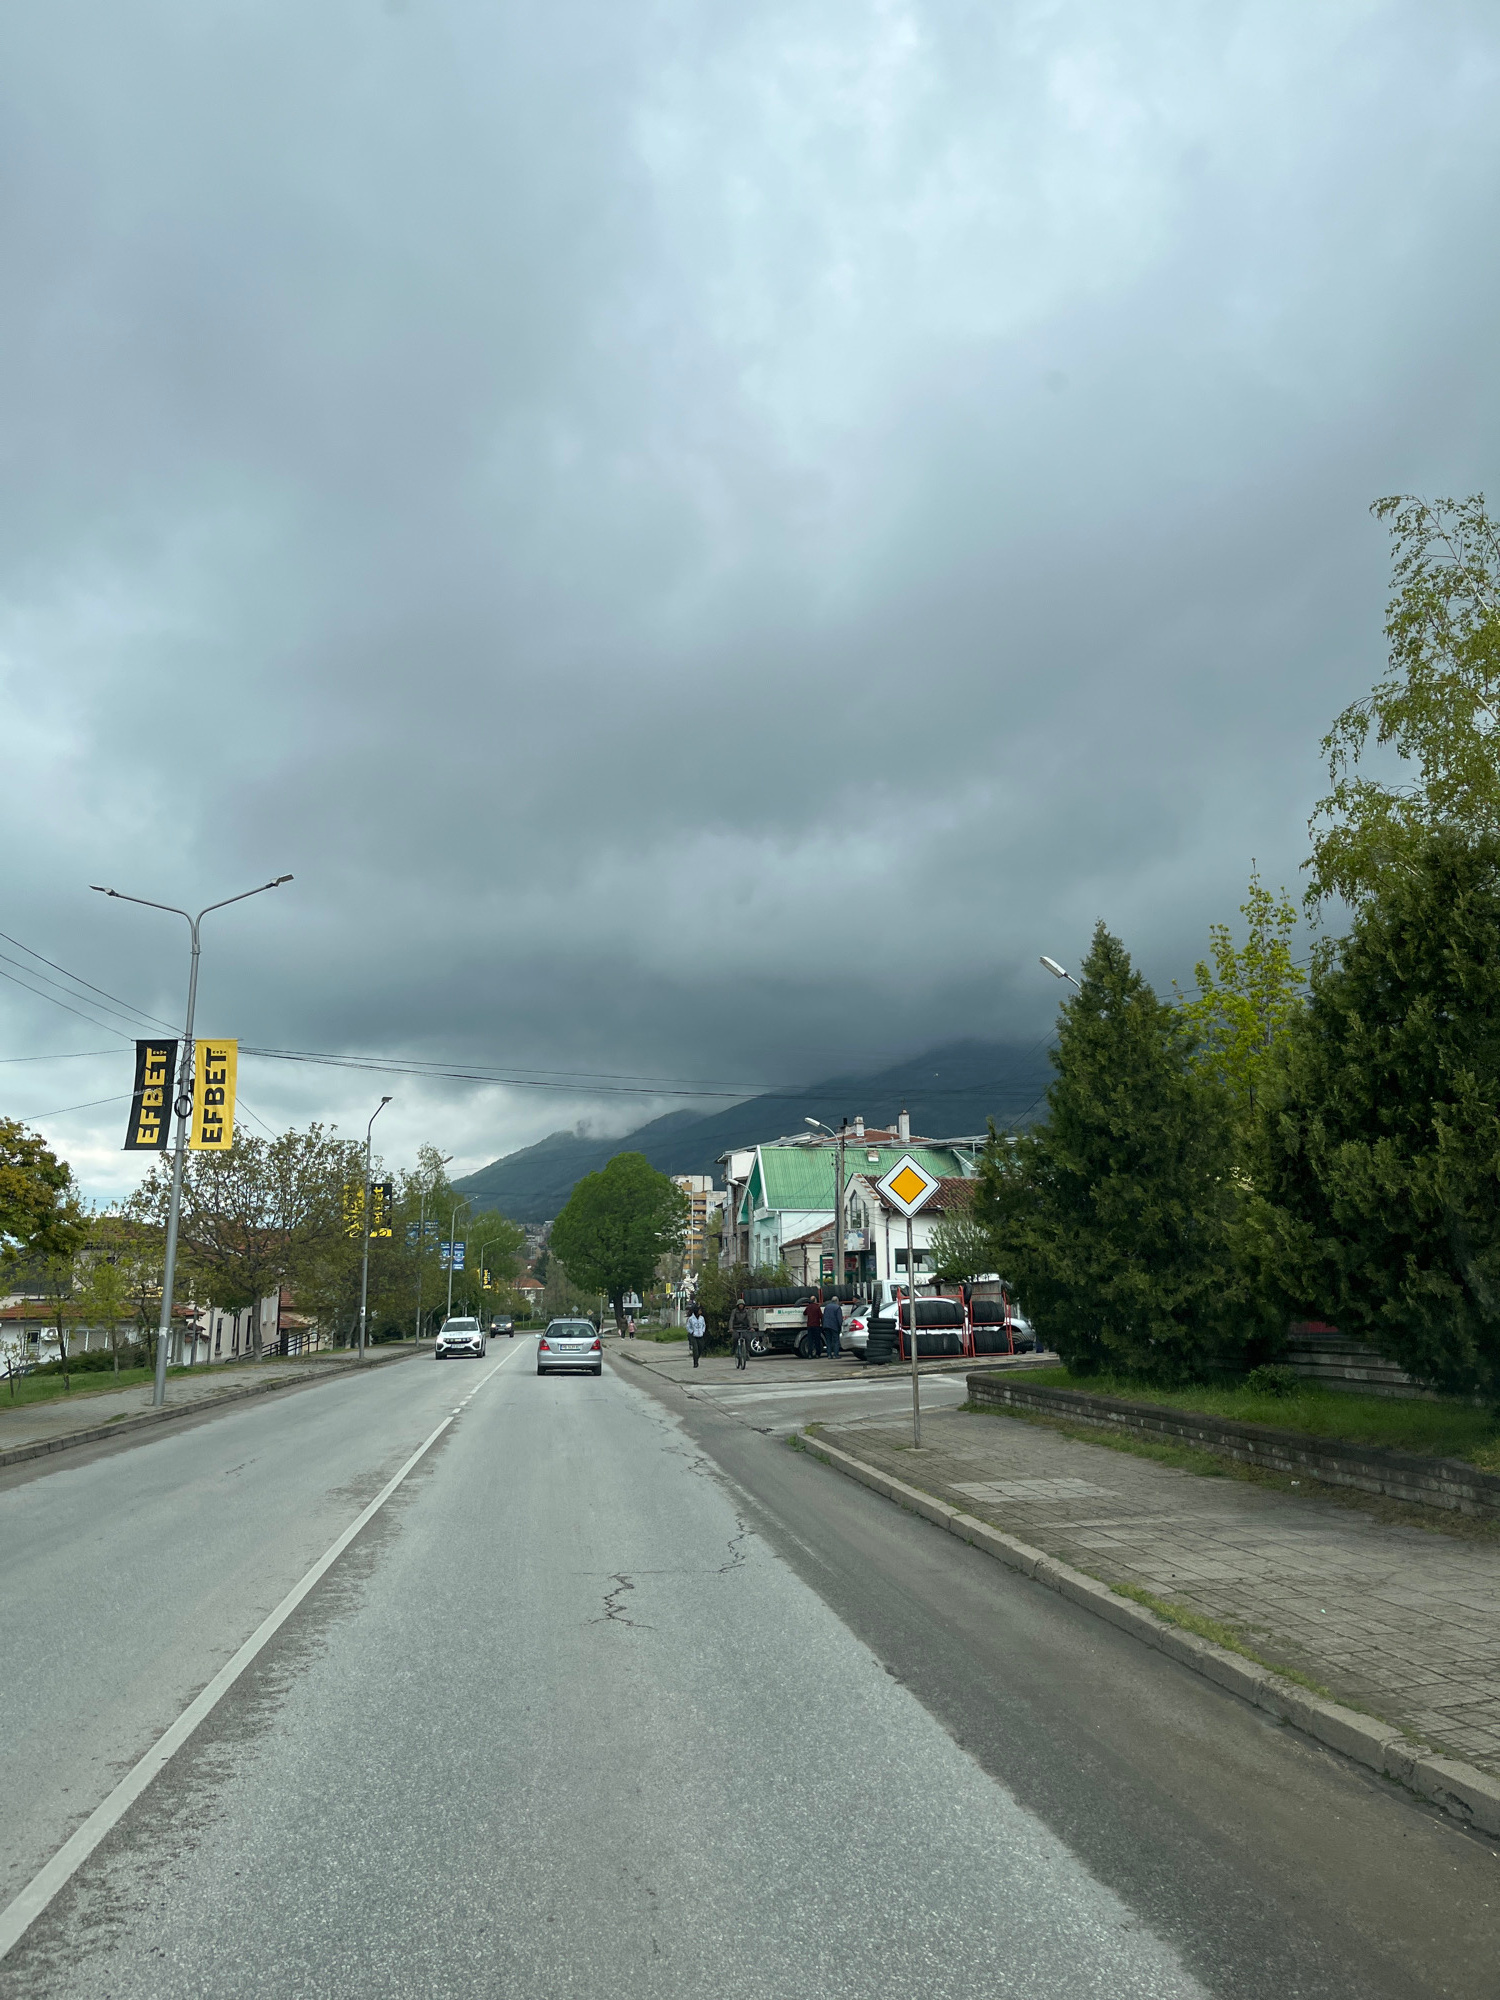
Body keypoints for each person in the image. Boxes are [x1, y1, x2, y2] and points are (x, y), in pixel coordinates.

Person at [728, 1296, 753, 1370]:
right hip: (736, 1328)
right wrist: (731, 1328)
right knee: (735, 1338)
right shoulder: (734, 1311)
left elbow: (749, 1319)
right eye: (740, 1305)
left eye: (742, 1305)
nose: (741, 1306)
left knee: (748, 1338)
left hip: (744, 1327)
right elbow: (731, 1319)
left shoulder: (746, 1311)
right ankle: (734, 1349)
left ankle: (747, 1353)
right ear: (737, 1305)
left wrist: (751, 1327)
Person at [821, 1292, 844, 1360]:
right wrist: (841, 1326)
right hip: (834, 1326)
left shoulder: (827, 1307)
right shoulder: (837, 1307)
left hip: (826, 1326)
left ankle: (829, 1355)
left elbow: (823, 1316)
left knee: (828, 1341)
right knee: (836, 1341)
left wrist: (823, 1325)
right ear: (837, 1301)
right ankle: (836, 1354)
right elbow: (839, 1318)